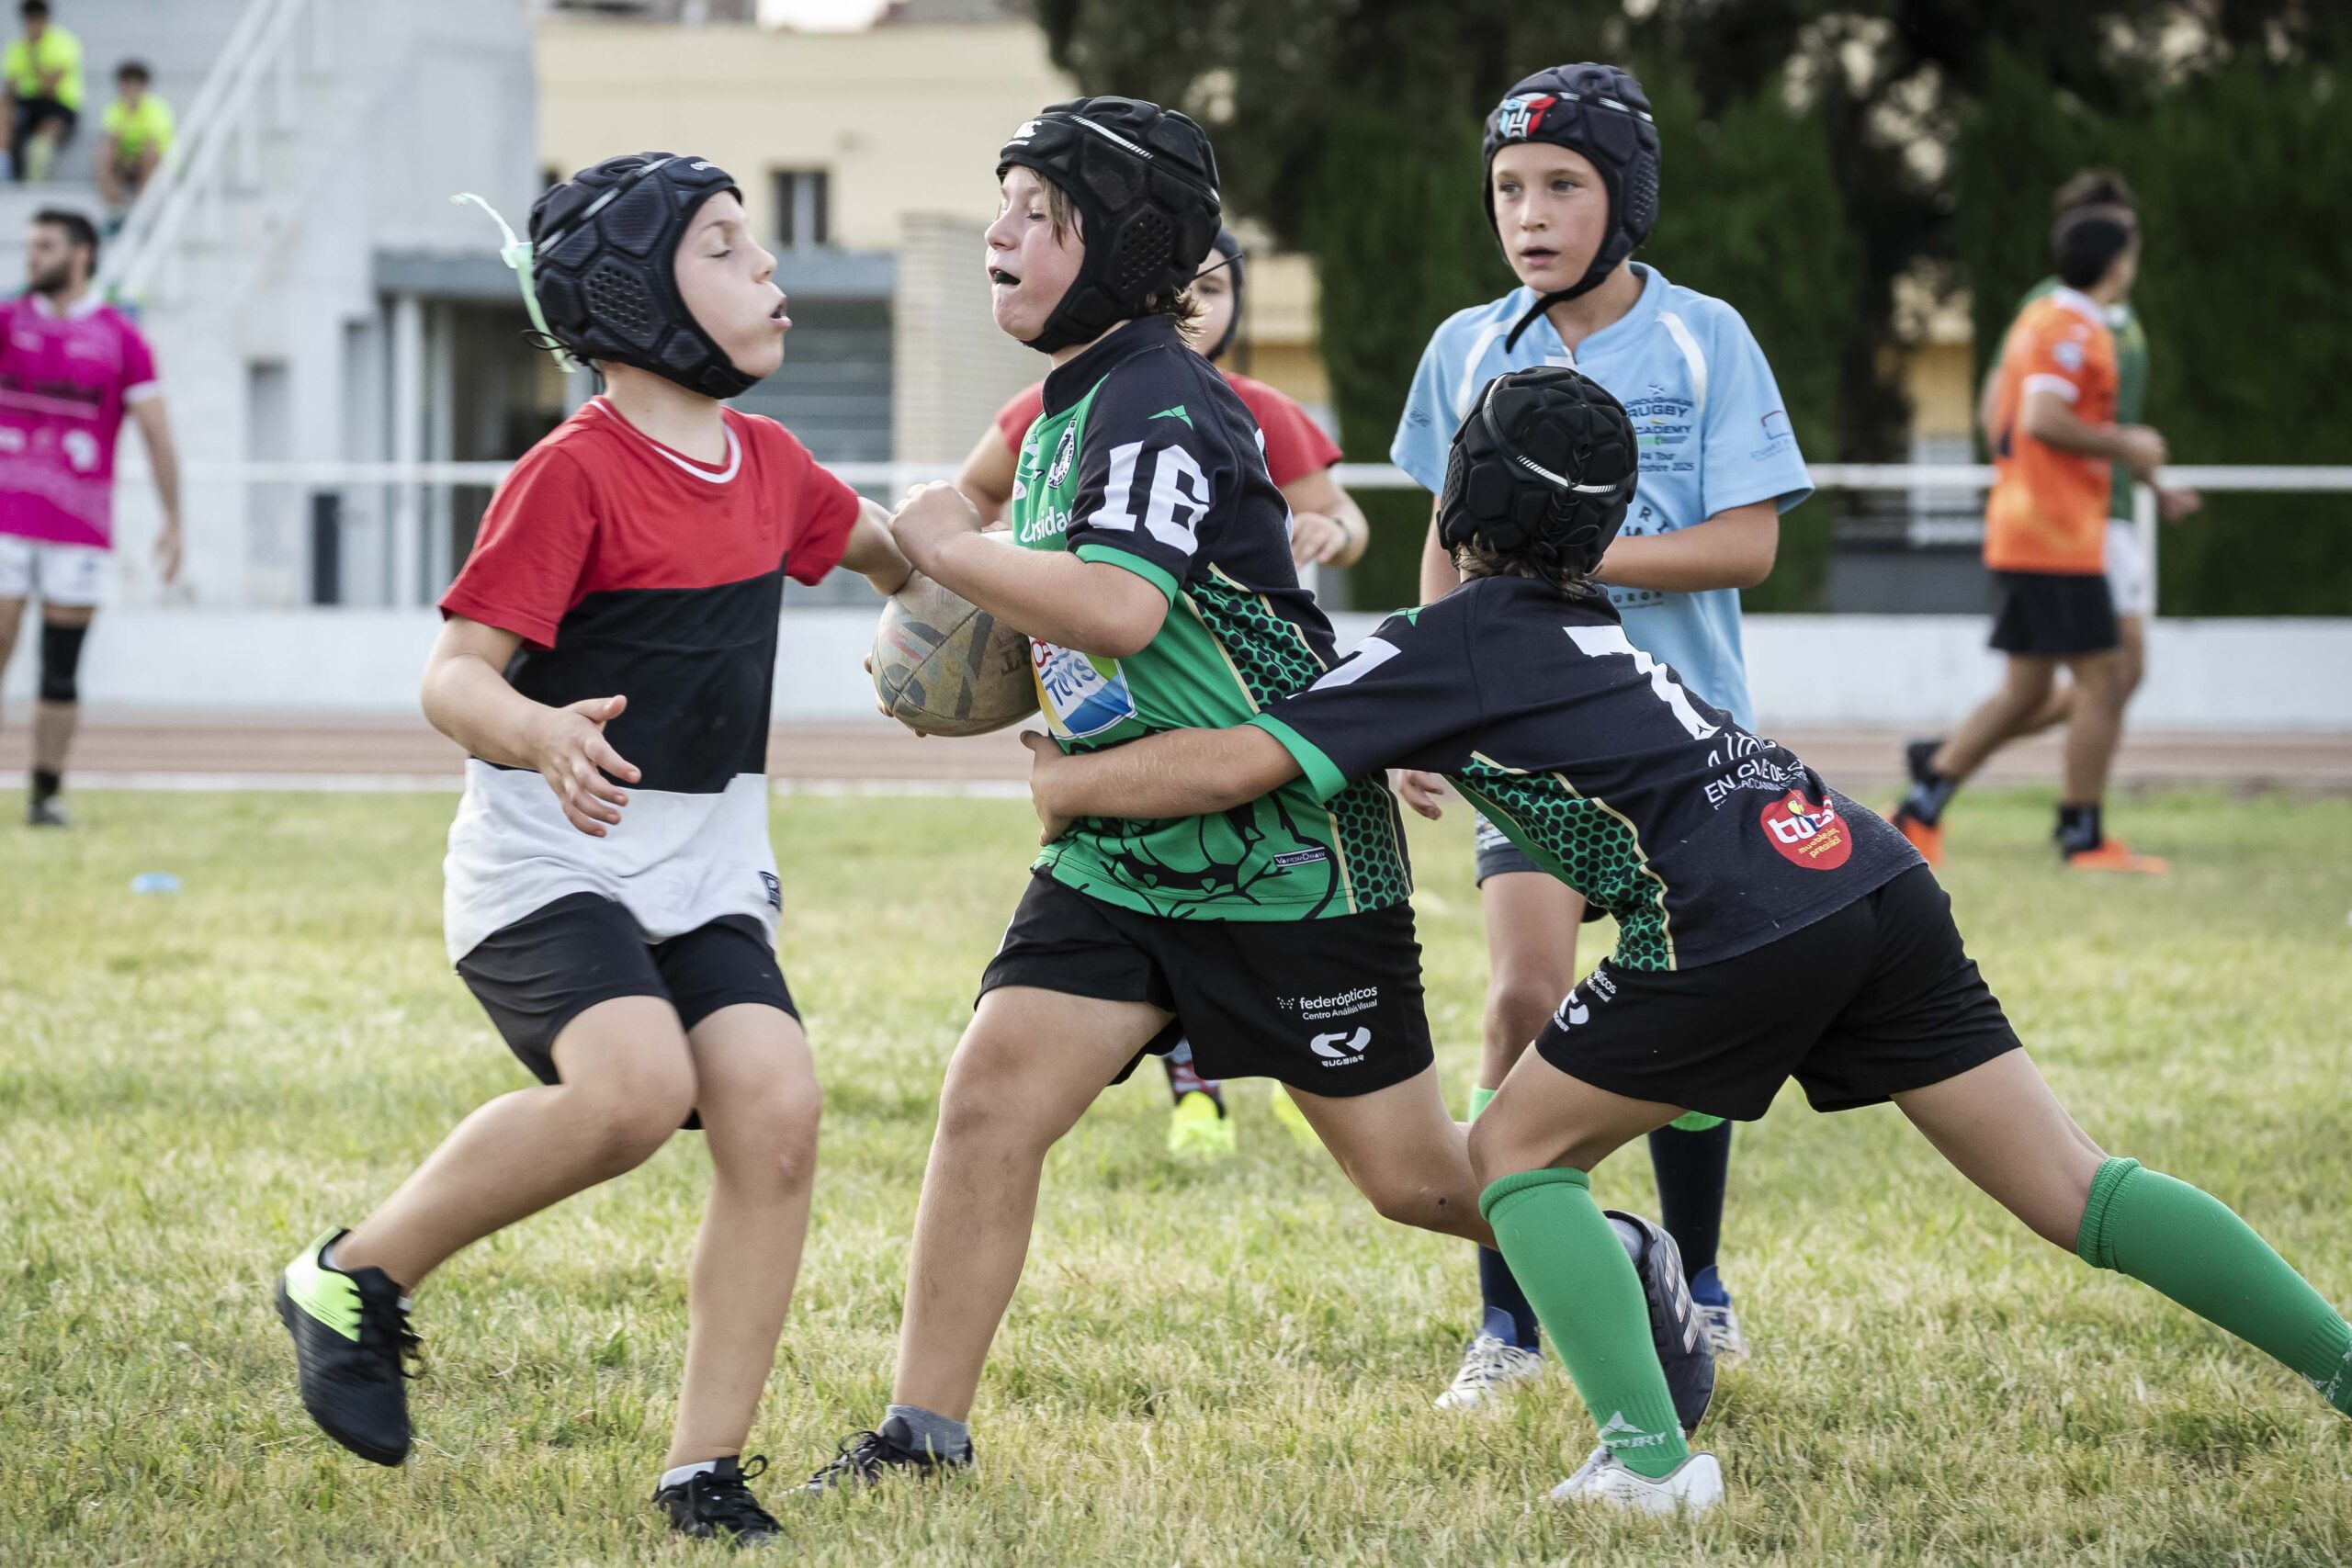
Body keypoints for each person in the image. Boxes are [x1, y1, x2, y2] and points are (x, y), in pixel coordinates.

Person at [1023, 364, 2352, 1516]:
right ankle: (2343, 1361)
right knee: (2076, 1185)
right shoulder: (1588, 617)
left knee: (1513, 1157)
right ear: (1602, 523)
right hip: (1857, 867)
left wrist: (1068, 781)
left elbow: (1242, 758)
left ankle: (1651, 1460)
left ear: (1458, 507)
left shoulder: (1449, 639)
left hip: (1725, 914)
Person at [805, 96, 1711, 1493]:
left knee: (1416, 1181)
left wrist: (952, 546)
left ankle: (1618, 1251)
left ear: (1120, 247)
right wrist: (892, 567)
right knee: (991, 1094)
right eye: (1002, 208)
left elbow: (1112, 604)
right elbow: (1020, 600)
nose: (999, 234)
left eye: (1037, 217)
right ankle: (922, 1434)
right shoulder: (1065, 403)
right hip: (1123, 841)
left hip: (1287, 849)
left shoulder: (1166, 398)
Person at [271, 153, 914, 1544]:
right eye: (733, 250)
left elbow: (904, 558)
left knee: (778, 1113)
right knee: (632, 1090)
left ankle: (702, 1469)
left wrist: (1024, 621)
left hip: (705, 865)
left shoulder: (777, 465)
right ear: (636, 290)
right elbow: (453, 675)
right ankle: (352, 1276)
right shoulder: (571, 472)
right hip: (549, 858)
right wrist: (539, 731)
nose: (773, 276)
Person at [1391, 62, 1813, 1404]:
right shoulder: (1468, 345)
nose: (1531, 211)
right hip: (1528, 750)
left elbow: (1747, 543)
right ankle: (1507, 1320)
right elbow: (1446, 540)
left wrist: (1581, 548)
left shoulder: (1705, 338)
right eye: (1509, 188)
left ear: (1622, 198)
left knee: (1688, 1020)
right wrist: (1425, 704)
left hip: (1682, 759)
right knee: (1523, 992)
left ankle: (1700, 1278)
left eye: (1563, 185)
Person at [956, 224, 1369, 1161]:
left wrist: (1327, 536)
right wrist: (947, 606)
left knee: (1396, 1166)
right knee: (991, 1099)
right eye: (1193, 286)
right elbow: (968, 498)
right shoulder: (1045, 410)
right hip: (1111, 765)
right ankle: (1194, 1095)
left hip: (1241, 727)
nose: (1202, 306)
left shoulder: (1252, 407)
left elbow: (1338, 512)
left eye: (1220, 291)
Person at [1896, 172, 2199, 863]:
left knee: (2042, 684)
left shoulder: (2096, 318)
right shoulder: (2063, 318)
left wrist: (2149, 477)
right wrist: (2056, 475)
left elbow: (2090, 422)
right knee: (2106, 677)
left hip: (2071, 522)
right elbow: (2033, 415)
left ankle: (1932, 787)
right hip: (2063, 531)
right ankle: (2079, 831)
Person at [0, 208, 180, 827]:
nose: (31, 256)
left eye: (44, 245)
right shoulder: (6, 321)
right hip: (5, 521)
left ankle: (45, 795)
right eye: (29, 245)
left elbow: (158, 433)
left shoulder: (120, 339)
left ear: (80, 255)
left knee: (59, 665)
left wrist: (174, 518)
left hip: (78, 529)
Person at [1, 1, 80, 184]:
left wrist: (33, 54)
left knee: (40, 146)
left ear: (46, 20)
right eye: (29, 21)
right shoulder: (16, 47)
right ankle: (3, 168)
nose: (33, 26)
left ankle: (32, 183)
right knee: (3, 113)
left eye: (37, 20)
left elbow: (50, 89)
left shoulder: (64, 43)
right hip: (28, 104)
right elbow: (9, 90)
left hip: (59, 105)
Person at [96, 59, 171, 224]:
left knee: (149, 153)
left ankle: (142, 204)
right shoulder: (114, 108)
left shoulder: (157, 108)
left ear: (144, 87)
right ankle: (115, 205)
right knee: (104, 153)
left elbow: (152, 144)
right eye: (126, 85)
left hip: (155, 163)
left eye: (135, 85)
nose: (130, 91)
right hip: (128, 163)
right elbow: (112, 141)